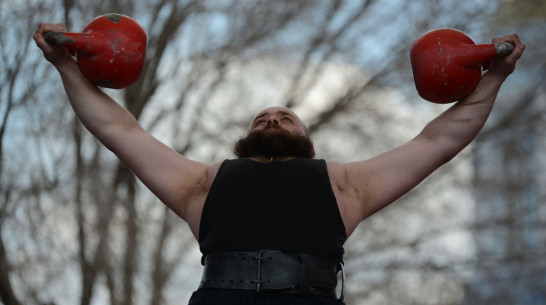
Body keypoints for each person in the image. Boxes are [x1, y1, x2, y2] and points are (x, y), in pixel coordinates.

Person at [33, 22, 525, 305]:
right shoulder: (201, 183)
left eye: (285, 116)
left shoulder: (345, 184)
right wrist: (66, 67)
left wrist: (495, 77)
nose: (272, 117)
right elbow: (119, 131)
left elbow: (440, 138)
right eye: (263, 116)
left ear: (306, 139)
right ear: (247, 137)